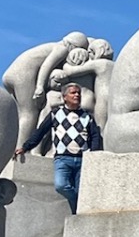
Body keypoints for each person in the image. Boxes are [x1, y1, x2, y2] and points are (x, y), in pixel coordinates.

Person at [14, 80, 103, 215]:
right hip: (63, 158)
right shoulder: (55, 114)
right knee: (61, 185)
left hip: (83, 159)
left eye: (78, 93)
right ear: (64, 97)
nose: (77, 95)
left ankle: (76, 216)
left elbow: (95, 136)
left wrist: (93, 154)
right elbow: (40, 132)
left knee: (82, 190)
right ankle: (77, 203)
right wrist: (25, 147)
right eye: (73, 93)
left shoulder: (87, 116)